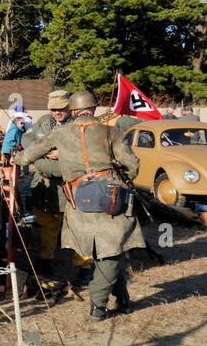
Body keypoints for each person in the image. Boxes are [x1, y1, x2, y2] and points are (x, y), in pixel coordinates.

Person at [19, 91, 140, 321]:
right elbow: (132, 166)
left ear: (73, 112)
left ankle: (118, 297)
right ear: (93, 109)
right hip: (110, 200)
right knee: (112, 251)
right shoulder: (112, 131)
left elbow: (27, 156)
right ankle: (99, 303)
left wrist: (17, 160)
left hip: (77, 201)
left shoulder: (62, 133)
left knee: (109, 254)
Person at [15, 90, 89, 281]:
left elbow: (87, 149)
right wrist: (46, 149)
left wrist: (62, 153)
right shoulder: (43, 122)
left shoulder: (79, 124)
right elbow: (27, 138)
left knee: (78, 227)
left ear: (69, 108)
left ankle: (85, 267)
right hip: (46, 185)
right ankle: (44, 261)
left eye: (62, 109)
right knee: (46, 226)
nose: (58, 112)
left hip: (72, 186)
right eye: (54, 109)